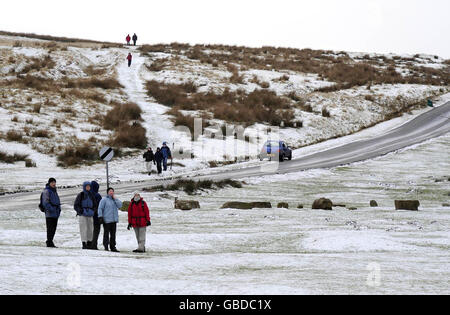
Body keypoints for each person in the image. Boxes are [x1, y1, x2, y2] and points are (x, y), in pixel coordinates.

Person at [74, 182, 98, 250]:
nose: (88, 188)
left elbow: (95, 205)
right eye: (87, 186)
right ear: (84, 187)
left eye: (89, 186)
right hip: (83, 214)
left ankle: (89, 242)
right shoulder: (81, 195)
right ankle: (84, 243)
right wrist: (81, 211)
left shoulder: (91, 195)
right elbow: (76, 205)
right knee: (83, 229)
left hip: (90, 214)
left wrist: (93, 211)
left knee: (90, 229)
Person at [98, 188, 123, 252]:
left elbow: (120, 205)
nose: (111, 192)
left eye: (112, 191)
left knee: (113, 235)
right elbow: (100, 208)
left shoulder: (114, 199)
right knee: (106, 234)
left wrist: (115, 199)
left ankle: (113, 247)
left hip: (114, 220)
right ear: (107, 192)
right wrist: (100, 216)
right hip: (106, 220)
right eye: (110, 191)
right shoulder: (104, 199)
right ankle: (106, 246)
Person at [41, 178, 61, 248]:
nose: (54, 184)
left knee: (54, 228)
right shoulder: (47, 191)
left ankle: (50, 241)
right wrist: (51, 209)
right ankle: (49, 242)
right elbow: (45, 202)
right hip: (49, 213)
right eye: (52, 182)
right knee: (50, 228)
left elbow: (57, 201)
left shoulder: (54, 191)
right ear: (49, 183)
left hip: (55, 213)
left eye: (54, 182)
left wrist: (58, 210)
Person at [90, 181, 102, 250]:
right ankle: (94, 245)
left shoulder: (87, 194)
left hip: (88, 215)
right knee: (96, 231)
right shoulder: (97, 195)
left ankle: (89, 244)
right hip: (96, 216)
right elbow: (100, 206)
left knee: (90, 231)